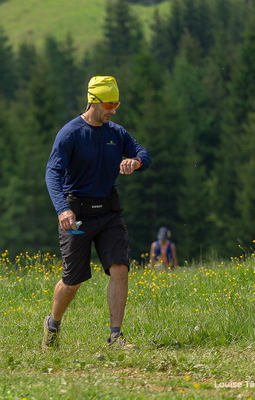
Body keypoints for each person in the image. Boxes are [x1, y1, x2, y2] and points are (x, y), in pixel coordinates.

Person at [44, 76, 152, 349]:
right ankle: (52, 324)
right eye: (109, 104)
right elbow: (52, 173)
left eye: (117, 104)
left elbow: (144, 154)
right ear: (93, 101)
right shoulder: (70, 134)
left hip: (109, 212)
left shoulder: (116, 133)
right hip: (76, 214)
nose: (113, 110)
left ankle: (115, 336)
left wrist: (135, 162)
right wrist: (62, 210)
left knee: (120, 269)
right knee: (73, 281)